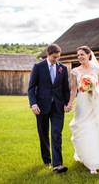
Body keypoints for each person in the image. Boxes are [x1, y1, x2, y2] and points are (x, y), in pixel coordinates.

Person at [65, 46, 99, 174]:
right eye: (78, 55)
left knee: (94, 129)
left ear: (88, 55)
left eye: (82, 54)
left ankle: (94, 162)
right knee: (82, 128)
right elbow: (74, 89)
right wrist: (70, 103)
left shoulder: (97, 70)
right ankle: (85, 156)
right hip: (82, 104)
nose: (80, 57)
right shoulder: (75, 71)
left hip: (95, 103)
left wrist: (94, 89)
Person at [28, 44, 70, 173]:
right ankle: (47, 160)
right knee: (43, 134)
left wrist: (67, 103)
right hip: (41, 107)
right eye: (54, 57)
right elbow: (31, 88)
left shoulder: (62, 68)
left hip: (58, 106)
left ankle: (57, 164)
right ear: (48, 54)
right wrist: (33, 104)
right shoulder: (38, 67)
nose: (56, 60)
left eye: (58, 57)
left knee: (56, 133)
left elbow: (65, 88)